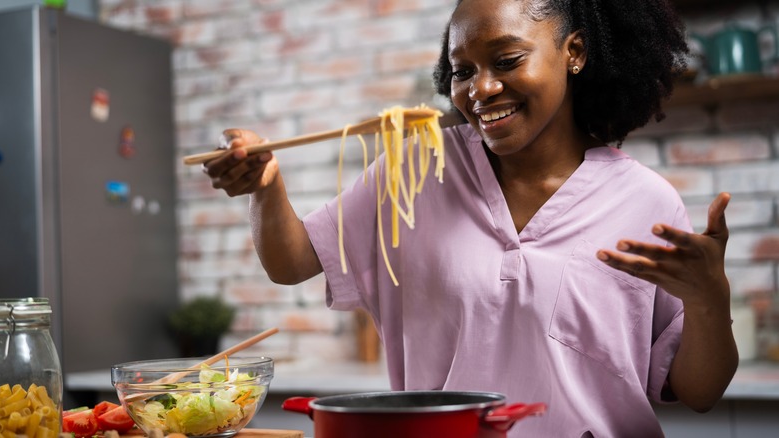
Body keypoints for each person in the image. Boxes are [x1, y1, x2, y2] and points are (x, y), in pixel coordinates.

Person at [203, 0, 738, 436]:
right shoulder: (415, 170)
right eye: (463, 71)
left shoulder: (646, 200)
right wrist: (266, 185)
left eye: (506, 61)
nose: (480, 90)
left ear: (573, 52)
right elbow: (292, 261)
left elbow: (699, 393)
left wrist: (709, 298)